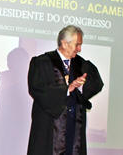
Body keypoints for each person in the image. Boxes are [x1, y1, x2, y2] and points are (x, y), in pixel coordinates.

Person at [27, 25, 104, 155]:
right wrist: (67, 89)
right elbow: (37, 89)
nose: (79, 49)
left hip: (74, 126)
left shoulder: (81, 64)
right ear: (64, 43)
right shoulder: (42, 62)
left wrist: (80, 86)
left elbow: (97, 83)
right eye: (77, 44)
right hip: (49, 129)